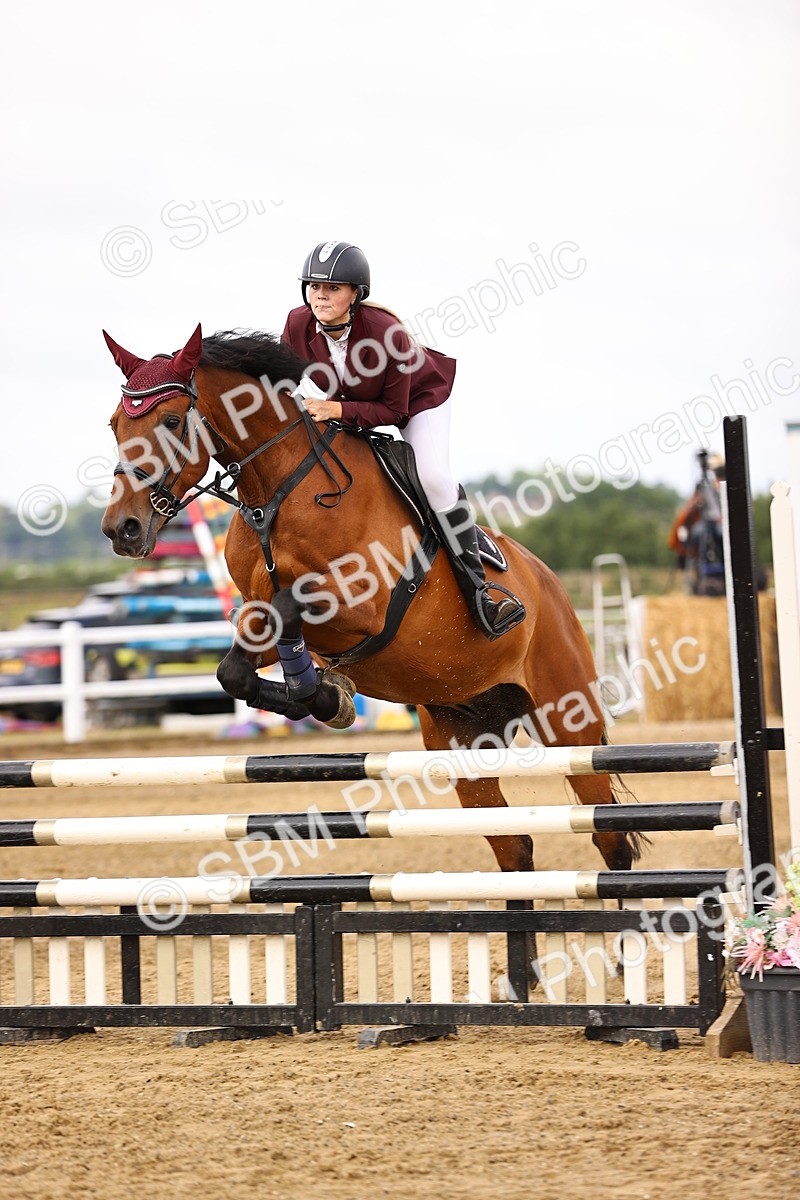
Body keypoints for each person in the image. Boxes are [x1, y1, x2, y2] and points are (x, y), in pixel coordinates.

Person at [281, 241, 525, 640]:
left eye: (333, 288)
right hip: (348, 402)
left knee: (433, 478)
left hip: (417, 401)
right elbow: (284, 382)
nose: (320, 296)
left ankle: (481, 591)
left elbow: (393, 413)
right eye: (313, 287)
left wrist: (334, 411)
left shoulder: (384, 333)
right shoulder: (297, 324)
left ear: (356, 293)